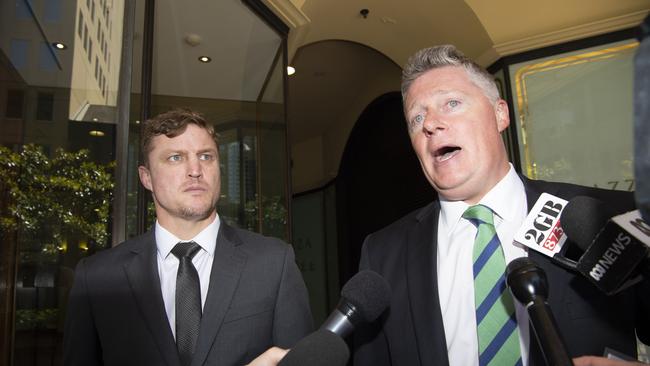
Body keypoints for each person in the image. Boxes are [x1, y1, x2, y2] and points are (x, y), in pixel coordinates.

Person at [352, 45, 650, 366]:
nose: (431, 124)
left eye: (451, 103)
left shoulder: (606, 217)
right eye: (417, 117)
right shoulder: (383, 254)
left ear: (500, 114)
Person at [63, 109, 312, 366]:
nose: (195, 170)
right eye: (175, 158)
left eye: (206, 156)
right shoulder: (98, 277)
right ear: (146, 177)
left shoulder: (273, 263)